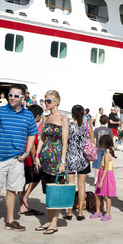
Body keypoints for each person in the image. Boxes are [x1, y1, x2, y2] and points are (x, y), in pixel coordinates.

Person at [0, 85, 38, 233]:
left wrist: (27, 151)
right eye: (10, 95)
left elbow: (33, 133)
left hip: (17, 160)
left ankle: (10, 221)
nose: (12, 98)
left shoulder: (28, 116)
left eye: (16, 96)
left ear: (23, 98)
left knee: (12, 190)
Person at [36, 90, 68, 234]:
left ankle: (54, 223)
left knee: (55, 192)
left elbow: (65, 142)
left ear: (56, 102)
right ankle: (49, 220)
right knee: (48, 191)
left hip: (56, 160)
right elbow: (42, 138)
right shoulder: (45, 118)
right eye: (45, 100)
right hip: (45, 159)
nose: (45, 103)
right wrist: (37, 155)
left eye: (48, 101)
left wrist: (63, 161)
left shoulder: (63, 119)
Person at [18, 104, 45, 217]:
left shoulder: (22, 123)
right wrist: (36, 160)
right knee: (37, 177)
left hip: (19, 157)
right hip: (28, 159)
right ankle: (26, 196)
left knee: (21, 183)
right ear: (38, 115)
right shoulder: (32, 125)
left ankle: (23, 206)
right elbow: (33, 147)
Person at [90, 135, 116, 221]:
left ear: (103, 144)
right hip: (104, 174)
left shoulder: (107, 155)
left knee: (107, 196)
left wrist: (100, 181)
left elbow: (106, 169)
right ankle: (98, 211)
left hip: (105, 176)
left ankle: (108, 213)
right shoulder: (107, 153)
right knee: (97, 194)